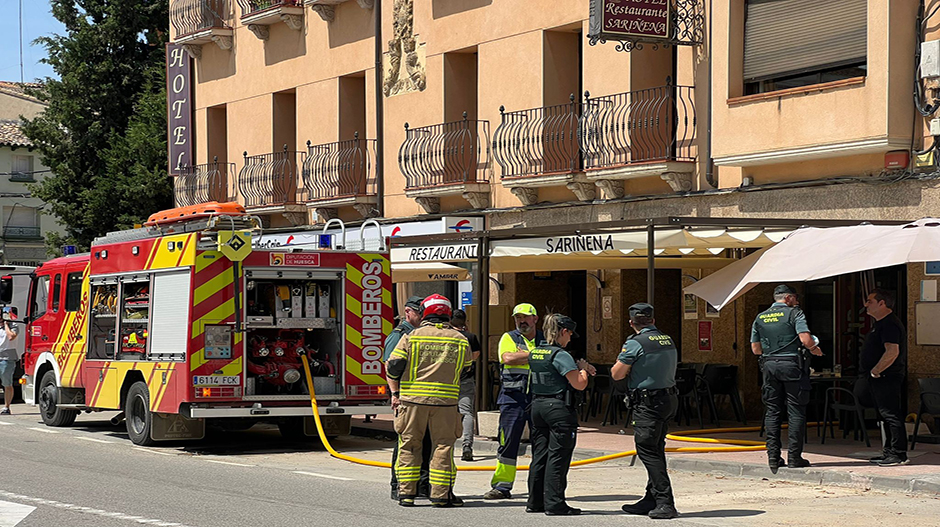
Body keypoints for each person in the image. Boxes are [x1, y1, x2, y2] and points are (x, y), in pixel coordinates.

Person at [386, 294, 471, 508]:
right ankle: (441, 496)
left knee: (409, 446)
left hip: (413, 401)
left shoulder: (412, 336)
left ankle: (406, 494)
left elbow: (394, 365)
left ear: (425, 312)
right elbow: (467, 368)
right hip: (446, 403)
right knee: (443, 447)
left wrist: (397, 391)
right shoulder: (460, 339)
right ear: (448, 314)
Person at [612, 303, 679, 520]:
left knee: (647, 451)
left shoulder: (635, 343)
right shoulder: (667, 339)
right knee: (656, 448)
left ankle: (665, 502)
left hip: (647, 404)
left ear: (631, 323)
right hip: (667, 399)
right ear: (653, 320)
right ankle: (650, 499)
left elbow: (617, 374)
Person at [526, 314, 595, 516]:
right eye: (570, 334)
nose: (571, 338)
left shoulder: (536, 352)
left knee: (539, 455)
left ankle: (535, 501)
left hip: (537, 406)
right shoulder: (560, 355)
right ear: (563, 331)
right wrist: (582, 370)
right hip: (558, 408)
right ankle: (555, 503)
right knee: (558, 456)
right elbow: (579, 384)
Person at [750, 285, 822, 474]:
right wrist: (815, 349)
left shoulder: (760, 317)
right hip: (792, 366)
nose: (797, 302)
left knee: (772, 411)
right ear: (789, 298)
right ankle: (794, 457)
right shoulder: (794, 313)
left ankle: (773, 457)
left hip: (769, 366)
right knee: (796, 410)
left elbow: (756, 349)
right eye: (796, 298)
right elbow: (806, 340)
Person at [484, 302, 543, 500]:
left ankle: (539, 488)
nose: (521, 321)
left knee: (541, 444)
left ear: (535, 318)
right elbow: (508, 358)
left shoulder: (545, 338)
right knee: (508, 442)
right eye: (518, 317)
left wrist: (524, 356)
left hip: (539, 398)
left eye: (525, 317)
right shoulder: (509, 337)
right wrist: (537, 355)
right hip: (512, 399)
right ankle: (501, 486)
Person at [384, 295, 430, 500]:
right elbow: (390, 366)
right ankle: (397, 485)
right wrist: (395, 394)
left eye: (424, 313)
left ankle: (420, 485)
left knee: (423, 442)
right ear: (408, 312)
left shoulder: (421, 334)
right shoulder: (399, 335)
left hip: (419, 398)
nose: (422, 317)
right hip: (405, 397)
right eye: (419, 313)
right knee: (405, 443)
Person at [858, 288, 909, 466]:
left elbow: (892, 351)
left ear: (882, 303)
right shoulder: (879, 323)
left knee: (891, 413)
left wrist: (877, 370)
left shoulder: (889, 324)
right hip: (878, 376)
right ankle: (888, 452)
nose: (866, 305)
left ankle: (898, 453)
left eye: (870, 301)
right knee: (883, 415)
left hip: (887, 376)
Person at [450, 309, 481, 462]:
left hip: (447, 382)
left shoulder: (447, 336)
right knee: (467, 413)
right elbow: (475, 357)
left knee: (445, 413)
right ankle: (467, 445)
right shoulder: (471, 337)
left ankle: (445, 447)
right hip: (466, 379)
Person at [0, 307, 20, 415]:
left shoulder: (14, 326)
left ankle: (7, 407)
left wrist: (6, 324)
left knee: (7, 383)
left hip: (7, 359)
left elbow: (11, 337)